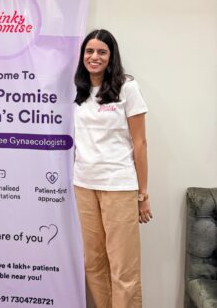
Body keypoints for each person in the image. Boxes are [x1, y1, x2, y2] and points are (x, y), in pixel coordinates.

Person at [73, 29, 152, 308]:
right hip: (83, 184)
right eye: (89, 51)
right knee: (93, 263)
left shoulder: (127, 87)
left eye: (101, 52)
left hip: (118, 185)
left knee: (123, 267)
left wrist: (143, 194)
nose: (94, 57)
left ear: (111, 56)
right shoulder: (78, 91)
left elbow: (140, 143)